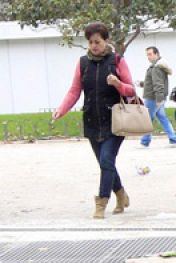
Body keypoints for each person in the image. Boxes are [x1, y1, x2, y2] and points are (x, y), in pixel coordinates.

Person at [52, 22, 137, 219]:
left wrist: (118, 83)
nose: (94, 46)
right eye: (90, 42)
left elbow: (131, 90)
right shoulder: (83, 63)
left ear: (106, 41)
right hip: (92, 118)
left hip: (115, 120)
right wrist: (62, 109)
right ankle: (121, 194)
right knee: (105, 163)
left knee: (107, 160)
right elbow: (74, 90)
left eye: (97, 42)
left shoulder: (117, 61)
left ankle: (101, 202)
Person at [136, 46, 176, 147]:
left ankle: (145, 141)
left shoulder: (156, 68)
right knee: (163, 118)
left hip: (153, 98)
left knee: (147, 119)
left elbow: (158, 84)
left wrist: (159, 99)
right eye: (147, 55)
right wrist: (142, 84)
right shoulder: (158, 66)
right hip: (157, 97)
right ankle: (173, 139)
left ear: (156, 54)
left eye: (150, 54)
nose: (148, 57)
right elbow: (154, 82)